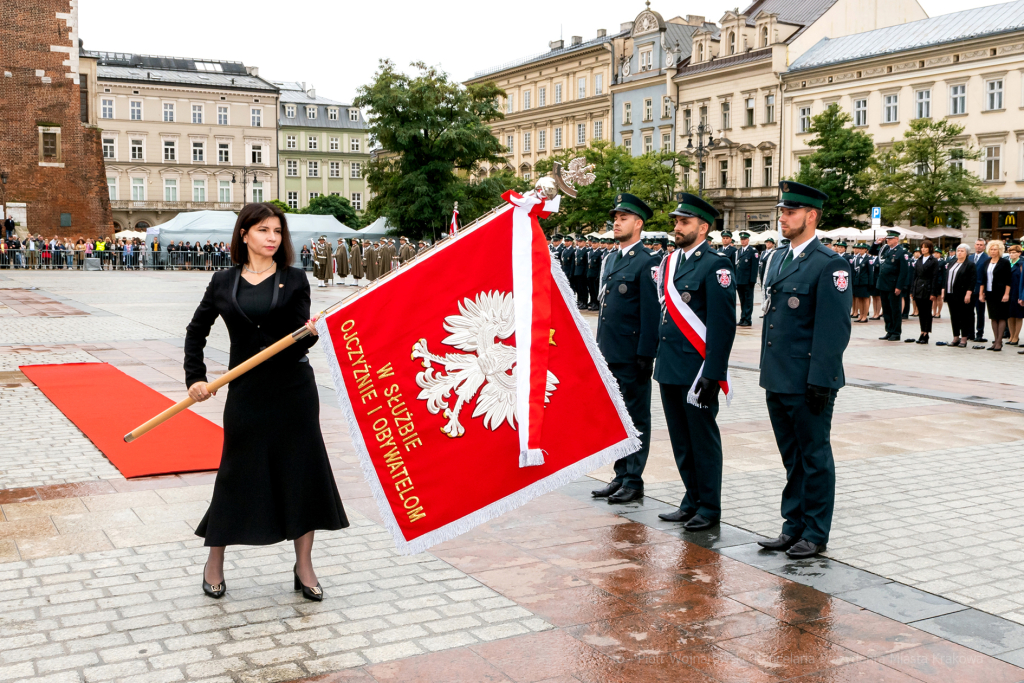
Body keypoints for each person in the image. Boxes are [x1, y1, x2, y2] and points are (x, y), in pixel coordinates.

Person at [184, 202, 348, 602]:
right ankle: (214, 561)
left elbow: (299, 340)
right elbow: (196, 331)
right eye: (263, 230)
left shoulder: (294, 279)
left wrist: (310, 333)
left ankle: (304, 566)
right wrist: (197, 379)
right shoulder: (223, 281)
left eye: (277, 231)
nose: (272, 238)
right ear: (244, 234)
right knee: (236, 474)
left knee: (301, 472)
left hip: (293, 391)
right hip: (246, 392)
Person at [757, 181, 851, 559]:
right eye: (782, 211)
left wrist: (820, 381)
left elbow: (833, 330)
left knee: (814, 457)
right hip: (778, 376)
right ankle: (792, 526)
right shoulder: (779, 258)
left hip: (808, 381)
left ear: (811, 216)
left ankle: (815, 532)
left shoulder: (830, 264)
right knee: (791, 458)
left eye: (790, 212)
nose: (783, 217)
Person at [655, 194, 735, 531]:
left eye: (684, 222)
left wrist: (713, 373)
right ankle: (691, 499)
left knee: (702, 441)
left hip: (697, 370)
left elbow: (722, 324)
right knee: (681, 441)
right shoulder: (671, 261)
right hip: (671, 367)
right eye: (676, 221)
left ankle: (709, 507)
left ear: (703, 228)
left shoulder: (716, 265)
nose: (676, 227)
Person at [592, 193, 660, 505]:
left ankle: (634, 479)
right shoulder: (615, 258)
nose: (616, 222)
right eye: (615, 217)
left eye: (623, 217)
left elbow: (651, 313)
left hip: (632, 356)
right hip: (610, 353)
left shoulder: (647, 263)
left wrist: (646, 355)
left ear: (638, 223)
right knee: (618, 419)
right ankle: (620, 475)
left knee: (636, 419)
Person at [872, 230, 911, 341]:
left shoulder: (901, 252)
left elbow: (903, 271)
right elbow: (872, 252)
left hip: (893, 284)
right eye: (887, 238)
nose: (888, 240)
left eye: (891, 238)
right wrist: (876, 243)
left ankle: (896, 332)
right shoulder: (885, 249)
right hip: (883, 283)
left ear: (897, 239)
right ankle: (889, 330)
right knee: (886, 309)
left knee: (895, 309)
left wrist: (899, 286)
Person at [979, 239, 1011, 351]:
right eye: (991, 249)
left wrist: (1006, 294)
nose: (993, 251)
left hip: (1001, 293)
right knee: (993, 317)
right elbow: (983, 279)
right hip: (989, 293)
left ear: (1000, 250)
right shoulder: (986, 262)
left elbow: (1008, 280)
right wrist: (981, 293)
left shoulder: (1005, 262)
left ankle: (999, 341)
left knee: (1001, 317)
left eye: (995, 249)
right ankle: (995, 340)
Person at [943, 244, 976, 348]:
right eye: (958, 251)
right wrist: (944, 290)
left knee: (963, 316)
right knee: (954, 316)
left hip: (962, 294)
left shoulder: (970, 265)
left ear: (966, 253)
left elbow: (972, 280)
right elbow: (946, 277)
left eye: (962, 251)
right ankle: (955, 337)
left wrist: (968, 293)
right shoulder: (952, 262)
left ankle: (964, 338)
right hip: (950, 293)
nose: (959, 253)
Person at [912, 240, 943, 344]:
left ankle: (926, 333)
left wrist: (933, 292)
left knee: (927, 312)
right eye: (922, 247)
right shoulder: (919, 259)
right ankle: (922, 331)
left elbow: (935, 277)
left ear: (930, 248)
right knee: (921, 312)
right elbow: (915, 275)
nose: (923, 249)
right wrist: (913, 290)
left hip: (928, 287)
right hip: (918, 287)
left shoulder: (933, 260)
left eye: (925, 247)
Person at [734, 231, 758, 327]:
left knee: (748, 300)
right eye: (742, 239)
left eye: (745, 239)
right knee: (742, 300)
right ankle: (742, 318)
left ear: (748, 240)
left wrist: (753, 280)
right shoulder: (739, 251)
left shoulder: (752, 251)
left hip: (748, 281)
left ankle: (748, 319)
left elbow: (754, 267)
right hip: (739, 280)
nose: (743, 241)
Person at [969, 238, 988, 342]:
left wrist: (984, 291)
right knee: (969, 313)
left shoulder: (987, 258)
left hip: (980, 289)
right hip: (970, 289)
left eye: (981, 245)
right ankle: (970, 333)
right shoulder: (970, 257)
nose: (979, 246)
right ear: (974, 245)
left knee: (980, 313)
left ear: (984, 247)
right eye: (977, 244)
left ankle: (979, 333)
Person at [851, 243, 872, 323]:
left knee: (865, 299)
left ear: (866, 250)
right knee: (859, 298)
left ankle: (865, 316)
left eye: (863, 249)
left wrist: (871, 283)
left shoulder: (868, 258)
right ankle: (860, 315)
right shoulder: (856, 258)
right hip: (857, 281)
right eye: (860, 248)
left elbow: (870, 272)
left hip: (865, 282)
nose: (861, 250)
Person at [1008, 243, 1024, 345]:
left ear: (1019, 253)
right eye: (1010, 252)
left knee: (1018, 315)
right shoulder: (1007, 263)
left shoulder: (1021, 264)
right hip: (1008, 292)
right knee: (1009, 315)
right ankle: (1011, 335)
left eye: (1014, 252)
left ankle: (1016, 336)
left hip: (1017, 292)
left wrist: (1021, 295)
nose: (1011, 254)